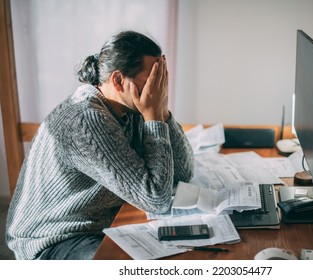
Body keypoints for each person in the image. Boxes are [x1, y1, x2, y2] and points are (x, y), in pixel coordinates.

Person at [6, 30, 194, 260]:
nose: (157, 89)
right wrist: (154, 118)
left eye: (161, 80)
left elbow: (183, 173)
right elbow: (156, 199)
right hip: (53, 239)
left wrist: (162, 112)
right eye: (152, 81)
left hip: (97, 224)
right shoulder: (87, 119)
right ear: (117, 80)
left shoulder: (130, 107)